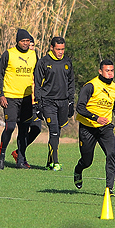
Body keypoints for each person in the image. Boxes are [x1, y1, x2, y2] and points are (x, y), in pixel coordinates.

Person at [73, 59, 115, 196]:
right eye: (107, 71)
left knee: (111, 154)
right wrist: (96, 118)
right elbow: (80, 107)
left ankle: (108, 189)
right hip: (88, 127)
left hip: (106, 127)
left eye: (112, 71)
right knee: (87, 160)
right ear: (100, 71)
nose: (110, 74)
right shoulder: (90, 86)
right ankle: (78, 170)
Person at [0, 29, 40, 170]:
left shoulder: (33, 55)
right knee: (10, 127)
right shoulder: (9, 54)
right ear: (17, 41)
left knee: (24, 129)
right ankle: (1, 156)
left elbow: (38, 75)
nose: (25, 43)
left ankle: (20, 160)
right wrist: (1, 94)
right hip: (10, 97)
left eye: (28, 41)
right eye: (23, 41)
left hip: (26, 98)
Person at [34, 36, 75, 171]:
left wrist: (71, 102)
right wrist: (38, 103)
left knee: (57, 131)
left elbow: (71, 83)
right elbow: (38, 84)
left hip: (63, 102)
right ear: (52, 48)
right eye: (58, 49)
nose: (60, 52)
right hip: (48, 102)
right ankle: (56, 163)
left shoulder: (67, 62)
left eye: (62, 49)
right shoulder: (43, 62)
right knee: (54, 131)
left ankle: (49, 162)